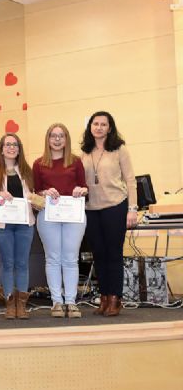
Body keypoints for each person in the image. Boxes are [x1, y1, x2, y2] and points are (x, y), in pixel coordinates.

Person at [81, 111, 137, 317]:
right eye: (95, 124)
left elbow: (130, 180)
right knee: (99, 255)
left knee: (113, 254)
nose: (99, 127)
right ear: (90, 127)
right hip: (91, 209)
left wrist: (132, 208)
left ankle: (115, 298)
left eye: (104, 124)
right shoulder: (85, 151)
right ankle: (104, 298)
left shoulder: (119, 149)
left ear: (110, 128)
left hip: (115, 205)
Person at [33, 124, 88, 319]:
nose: (57, 140)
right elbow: (35, 193)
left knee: (71, 259)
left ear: (67, 139)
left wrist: (81, 190)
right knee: (53, 258)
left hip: (74, 215)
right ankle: (57, 301)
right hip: (49, 216)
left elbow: (84, 187)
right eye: (53, 136)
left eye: (61, 136)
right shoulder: (39, 163)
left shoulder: (76, 162)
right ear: (48, 139)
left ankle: (71, 302)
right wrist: (44, 193)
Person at [0, 133, 35, 320]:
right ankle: (9, 303)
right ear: (2, 149)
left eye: (15, 144)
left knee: (22, 264)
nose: (11, 147)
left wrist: (36, 200)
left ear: (19, 148)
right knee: (7, 264)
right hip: (2, 224)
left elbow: (33, 196)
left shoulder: (27, 171)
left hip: (24, 224)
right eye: (7, 145)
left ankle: (21, 305)